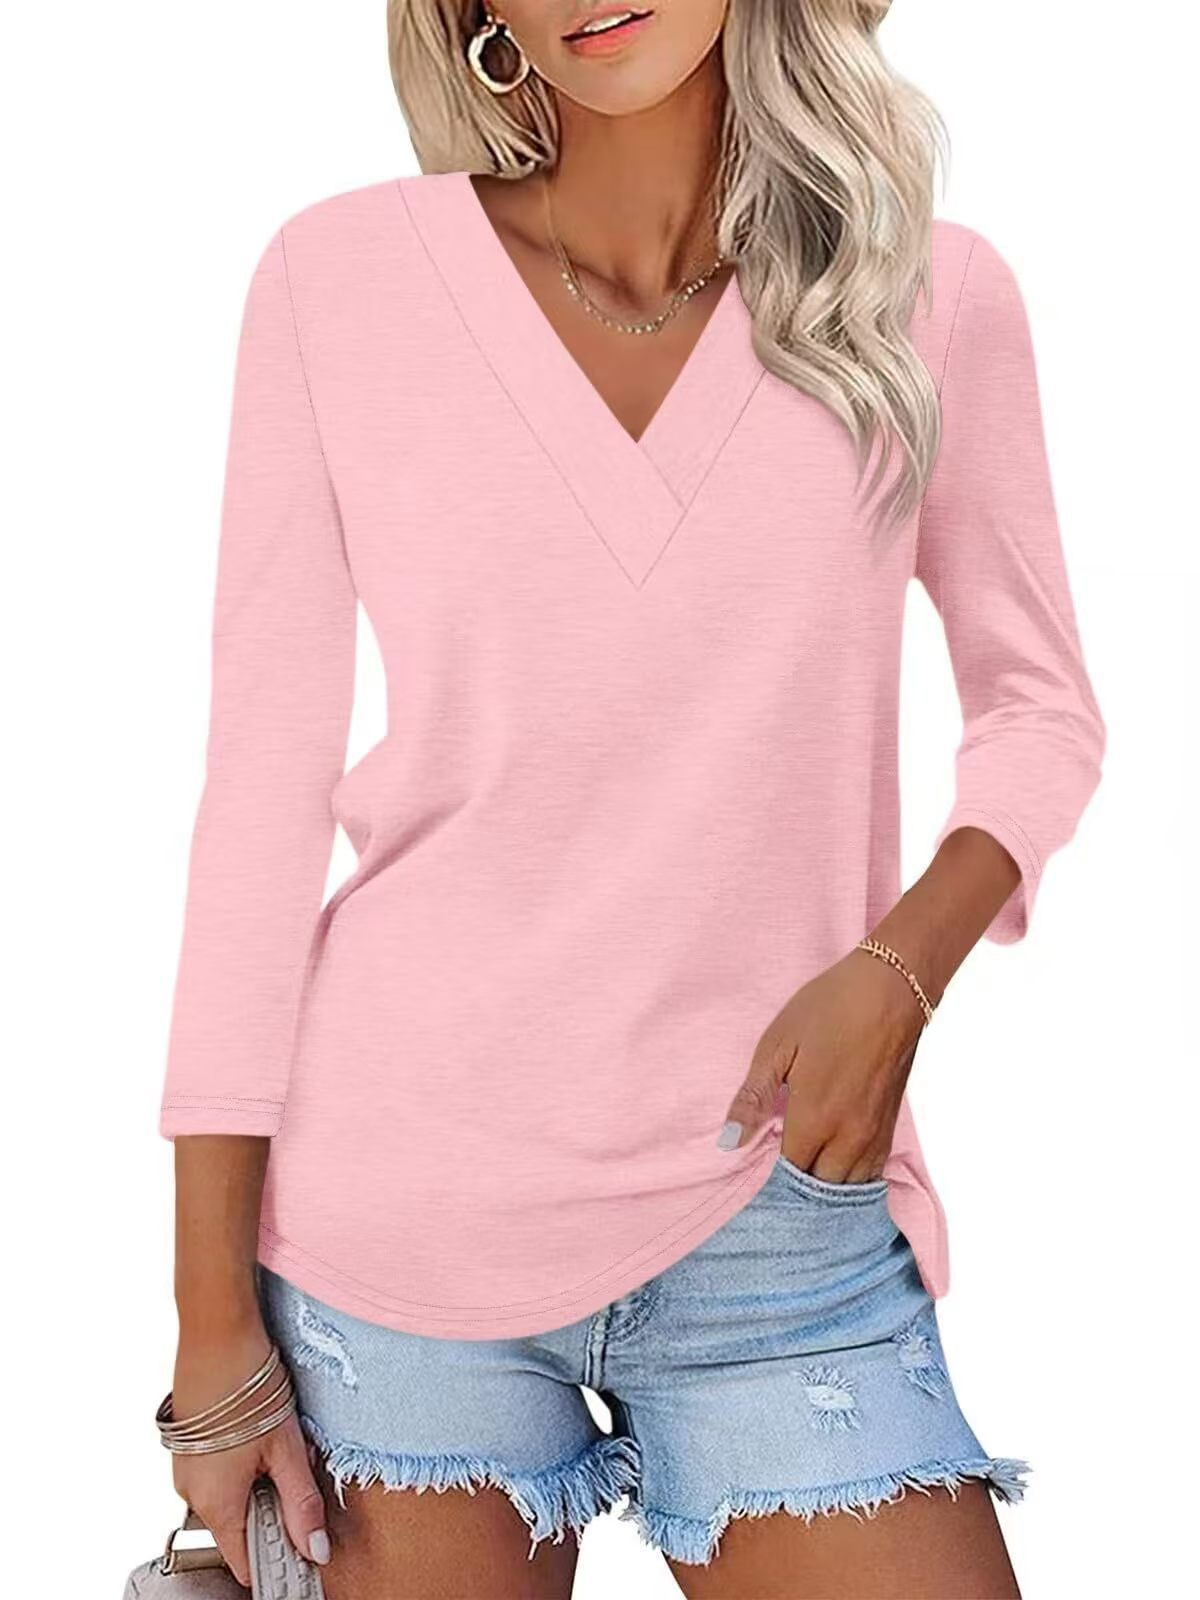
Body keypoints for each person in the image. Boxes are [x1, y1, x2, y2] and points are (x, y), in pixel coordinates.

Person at [157, 3, 1104, 1594]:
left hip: (781, 1209)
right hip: (401, 1220)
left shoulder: (928, 295)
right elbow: (256, 802)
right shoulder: (338, 283)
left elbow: (1040, 709)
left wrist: (900, 973)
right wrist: (209, 1328)